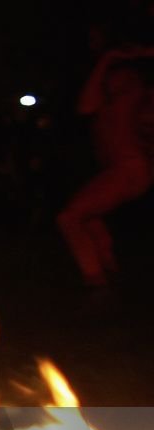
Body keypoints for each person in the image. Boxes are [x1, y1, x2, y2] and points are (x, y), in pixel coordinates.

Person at [57, 44, 154, 288]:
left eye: (116, 76)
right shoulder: (108, 105)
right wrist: (107, 61)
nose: (109, 82)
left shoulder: (137, 98)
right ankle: (108, 270)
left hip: (130, 169)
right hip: (120, 170)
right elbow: (85, 107)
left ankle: (96, 280)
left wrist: (112, 59)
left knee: (70, 217)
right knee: (89, 218)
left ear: (132, 79)